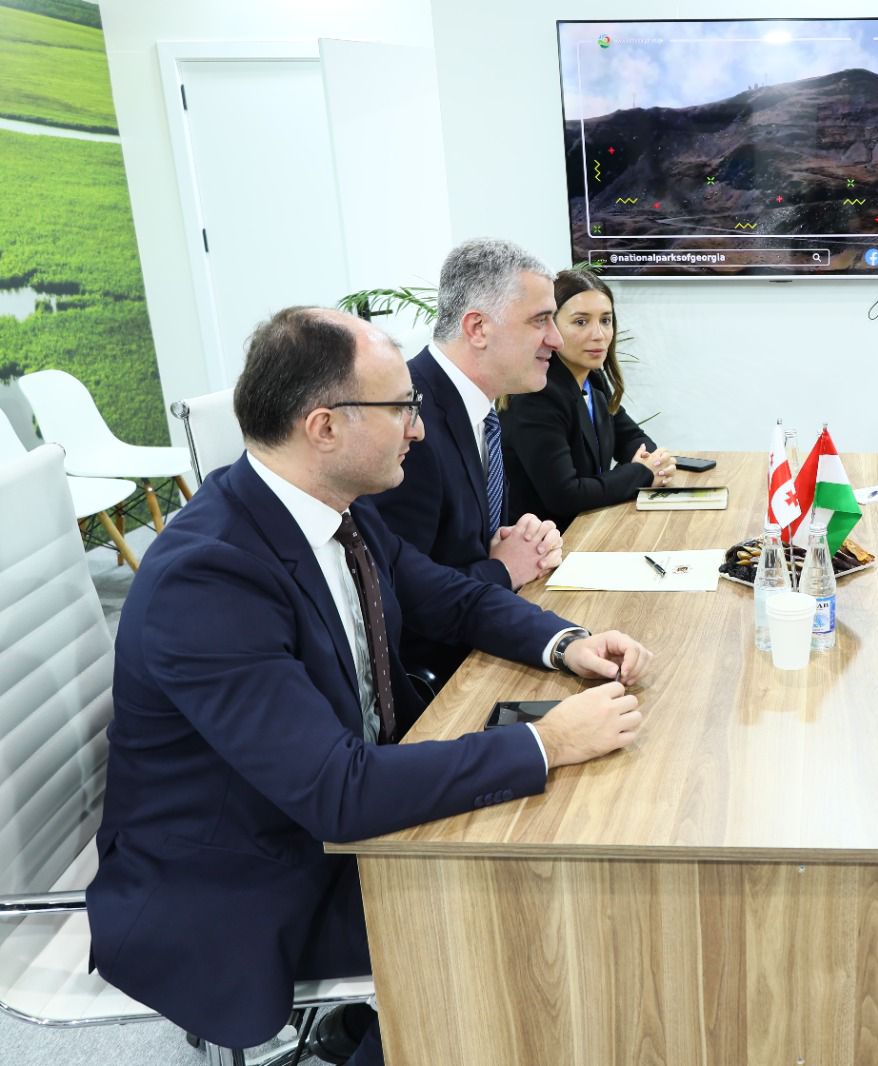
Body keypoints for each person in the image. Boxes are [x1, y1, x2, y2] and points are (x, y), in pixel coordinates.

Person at [87, 307, 656, 1066]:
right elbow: (339, 793)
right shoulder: (210, 576)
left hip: (319, 819)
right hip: (246, 881)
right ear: (324, 427)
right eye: (401, 409)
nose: (417, 429)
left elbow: (450, 597)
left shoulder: (331, 510)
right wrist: (545, 742)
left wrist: (566, 643)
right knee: (526, 910)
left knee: (548, 860)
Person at [373, 238, 566, 685]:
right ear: (477, 328)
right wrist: (504, 569)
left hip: (486, 633)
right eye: (540, 320)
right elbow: (395, 592)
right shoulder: (405, 421)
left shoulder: (474, 406)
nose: (556, 339)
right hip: (443, 678)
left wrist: (522, 539)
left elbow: (464, 543)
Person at [501, 268, 674, 531]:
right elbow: (566, 496)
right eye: (581, 322)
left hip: (590, 528)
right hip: (549, 543)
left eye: (605, 320)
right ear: (550, 327)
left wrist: (654, 463)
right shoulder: (535, 397)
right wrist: (643, 472)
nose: (599, 334)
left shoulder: (592, 379)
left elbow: (631, 438)